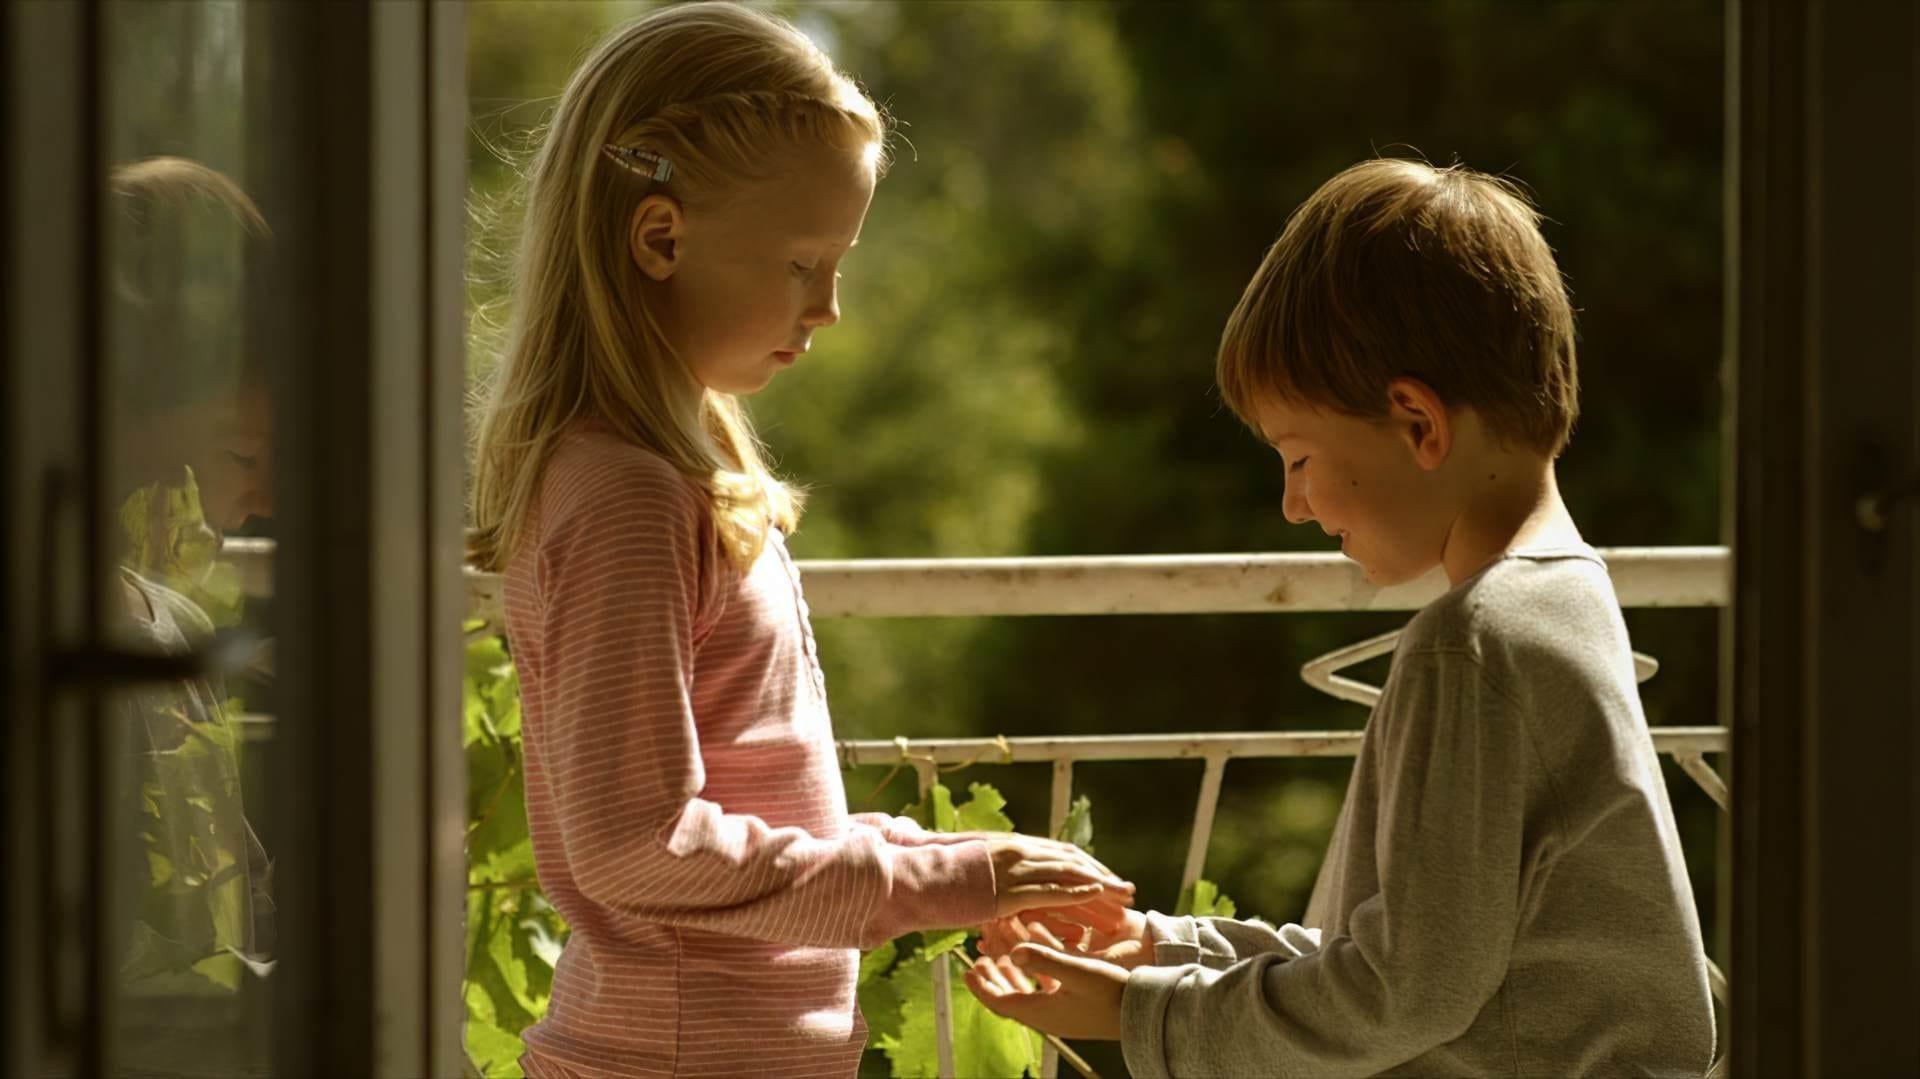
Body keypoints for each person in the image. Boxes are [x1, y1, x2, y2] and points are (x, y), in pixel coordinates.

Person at [466, 5, 1130, 1075]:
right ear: (661, 238)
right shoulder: (625, 500)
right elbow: (641, 843)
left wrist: (959, 858)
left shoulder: (664, 479)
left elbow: (740, 804)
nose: (828, 307)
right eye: (802, 261)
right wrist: (935, 882)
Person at [966, 158, 1717, 1077]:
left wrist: (1140, 1014)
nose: (1291, 504)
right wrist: (1166, 948)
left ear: (1417, 423)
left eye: (1297, 457)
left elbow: (1401, 996)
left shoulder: (1472, 643)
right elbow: (1403, 960)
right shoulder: (1566, 595)